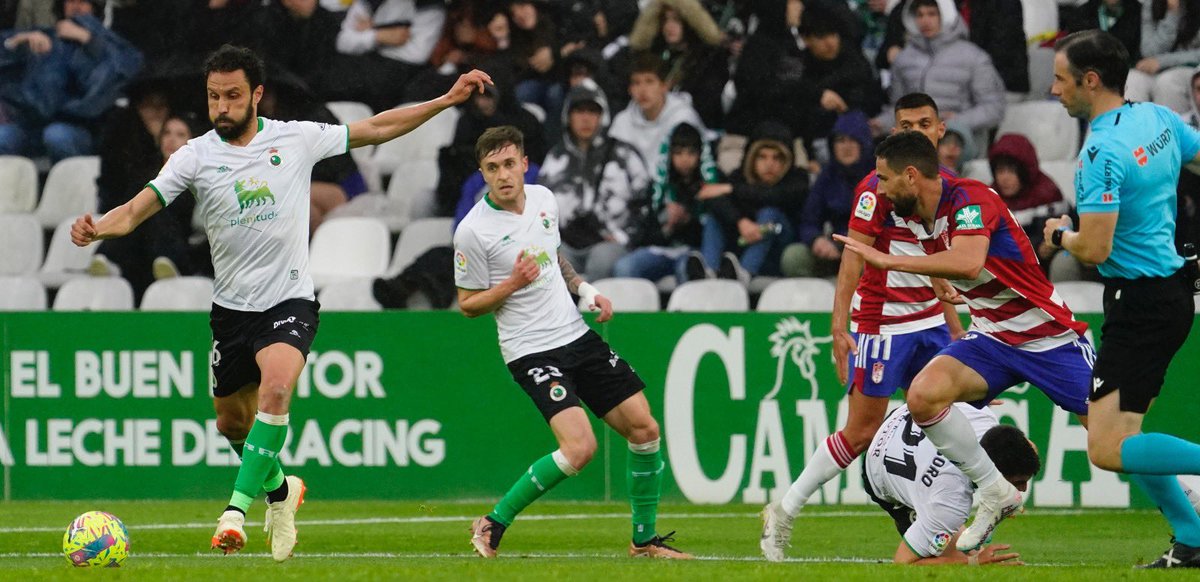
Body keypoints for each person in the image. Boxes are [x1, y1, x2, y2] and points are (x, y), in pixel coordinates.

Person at [69, 44, 492, 562]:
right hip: (231, 311)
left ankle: (234, 512)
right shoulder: (196, 154)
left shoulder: (294, 139)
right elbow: (137, 209)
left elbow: (377, 128)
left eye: (232, 96)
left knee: (275, 390)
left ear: (257, 95)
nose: (221, 106)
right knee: (231, 424)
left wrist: (446, 99)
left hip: (288, 300)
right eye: (213, 97)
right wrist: (97, 229)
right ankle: (279, 491)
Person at [833, 130, 1094, 554]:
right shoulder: (915, 213)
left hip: (1046, 335)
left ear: (912, 175)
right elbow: (956, 265)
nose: (878, 188)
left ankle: (1189, 511)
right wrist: (942, 284)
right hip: (991, 336)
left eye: (884, 179)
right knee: (923, 396)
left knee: (1111, 445)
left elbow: (970, 262)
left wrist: (888, 260)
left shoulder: (971, 198)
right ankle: (994, 490)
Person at [454, 125, 691, 560]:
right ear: (483, 174)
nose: (503, 175)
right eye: (492, 168)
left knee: (645, 428)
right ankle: (494, 522)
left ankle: (644, 542)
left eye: (510, 164)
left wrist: (585, 291)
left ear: (525, 164)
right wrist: (510, 284)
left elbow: (553, 257)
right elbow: (467, 304)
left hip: (576, 334)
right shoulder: (473, 231)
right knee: (580, 448)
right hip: (530, 349)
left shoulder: (544, 199)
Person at [761, 93, 965, 562]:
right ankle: (785, 508)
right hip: (884, 324)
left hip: (932, 318)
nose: (915, 131)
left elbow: (941, 263)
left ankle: (939, 529)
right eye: (905, 124)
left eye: (924, 123)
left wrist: (956, 328)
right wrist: (840, 326)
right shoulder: (876, 188)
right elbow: (853, 256)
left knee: (959, 416)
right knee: (861, 431)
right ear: (893, 132)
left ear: (940, 129)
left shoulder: (949, 186)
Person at [1046, 30, 1200, 568]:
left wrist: (1057, 234)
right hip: (1170, 292)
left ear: (1091, 81)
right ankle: (1192, 540)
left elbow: (1095, 246)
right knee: (1127, 433)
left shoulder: (1101, 151)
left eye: (1061, 78)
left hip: (1140, 304)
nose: (1053, 89)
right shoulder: (1155, 119)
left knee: (1106, 448)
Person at [864, 403, 1034, 565]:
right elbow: (902, 563)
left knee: (964, 549)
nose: (1023, 489)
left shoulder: (982, 415)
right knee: (970, 557)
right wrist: (974, 562)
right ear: (996, 470)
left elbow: (1028, 447)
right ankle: (913, 520)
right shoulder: (949, 502)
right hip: (877, 469)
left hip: (901, 418)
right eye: (1018, 482)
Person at [0, 0, 143, 162]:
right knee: (3, 137)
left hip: (83, 128)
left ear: (94, 7)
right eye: (71, 1)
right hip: (31, 127)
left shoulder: (111, 42)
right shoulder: (45, 35)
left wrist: (88, 39)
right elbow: (5, 49)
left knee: (57, 136)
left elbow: (126, 65)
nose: (76, 6)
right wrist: (18, 41)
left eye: (83, 2)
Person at [538, 80, 649, 282]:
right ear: (568, 116)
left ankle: (595, 313)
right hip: (566, 243)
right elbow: (540, 209)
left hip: (612, 242)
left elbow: (645, 204)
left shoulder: (625, 154)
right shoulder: (555, 157)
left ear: (603, 115)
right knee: (546, 261)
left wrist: (625, 237)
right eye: (579, 111)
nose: (586, 118)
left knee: (600, 261)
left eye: (592, 112)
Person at [693, 121, 807, 285]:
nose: (770, 164)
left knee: (769, 215)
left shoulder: (797, 180)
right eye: (762, 156)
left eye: (777, 158)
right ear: (752, 158)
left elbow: (775, 196)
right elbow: (714, 200)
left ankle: (744, 274)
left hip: (779, 251)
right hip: (742, 248)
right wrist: (741, 222)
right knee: (715, 217)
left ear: (787, 161)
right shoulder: (739, 178)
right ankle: (708, 272)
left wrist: (731, 188)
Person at [884, 0, 1005, 137]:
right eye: (920, 15)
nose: (925, 21)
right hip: (915, 143)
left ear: (946, 15)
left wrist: (956, 122)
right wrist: (880, 124)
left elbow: (994, 109)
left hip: (960, 140)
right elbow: (897, 109)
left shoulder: (974, 57)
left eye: (932, 14)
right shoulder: (903, 59)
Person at [615, 122, 716, 282]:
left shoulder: (712, 187)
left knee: (689, 269)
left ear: (701, 155)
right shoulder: (657, 188)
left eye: (691, 153)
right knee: (624, 267)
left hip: (694, 251)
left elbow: (712, 234)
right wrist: (667, 227)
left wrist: (688, 220)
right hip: (661, 250)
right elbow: (643, 234)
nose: (684, 159)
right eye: (678, 153)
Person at [782, 111, 875, 278]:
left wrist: (849, 245)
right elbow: (809, 220)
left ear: (864, 143)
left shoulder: (879, 177)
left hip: (869, 250)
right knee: (793, 257)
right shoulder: (828, 176)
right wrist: (816, 240)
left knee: (865, 266)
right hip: (833, 248)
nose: (846, 146)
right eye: (840, 140)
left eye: (853, 140)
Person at [609, 52, 706, 179]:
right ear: (630, 89)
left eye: (649, 82)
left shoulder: (683, 118)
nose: (642, 90)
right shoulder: (622, 121)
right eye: (636, 83)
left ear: (664, 86)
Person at [1125, 0, 1200, 114]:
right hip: (1158, 69)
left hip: (1191, 69)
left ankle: (1172, 131)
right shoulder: (1150, 4)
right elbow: (1149, 51)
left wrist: (1162, 62)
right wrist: (1172, 14)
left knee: (1168, 82)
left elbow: (1196, 55)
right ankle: (1134, 131)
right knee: (1132, 79)